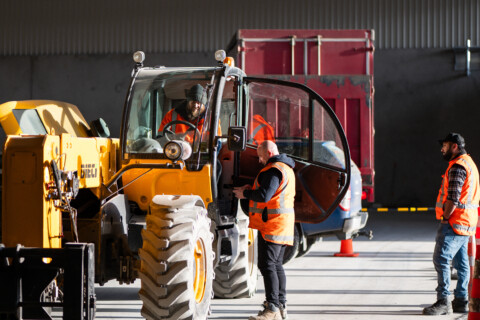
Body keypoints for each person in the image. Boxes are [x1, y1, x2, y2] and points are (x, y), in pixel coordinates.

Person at [233, 140, 295, 320]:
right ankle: (280, 305)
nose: (259, 160)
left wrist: (243, 194)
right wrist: (249, 189)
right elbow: (271, 193)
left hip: (273, 225)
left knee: (267, 265)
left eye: (260, 156)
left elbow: (264, 195)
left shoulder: (273, 170)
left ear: (268, 152)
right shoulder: (286, 168)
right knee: (276, 265)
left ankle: (272, 309)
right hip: (281, 224)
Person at [423, 133, 480, 315]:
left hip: (454, 222)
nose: (442, 149)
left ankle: (443, 301)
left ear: (454, 146)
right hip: (466, 222)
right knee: (462, 262)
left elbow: (453, 197)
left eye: (445, 145)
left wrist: (446, 217)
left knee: (441, 258)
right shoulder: (470, 163)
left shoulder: (457, 167)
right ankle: (461, 300)